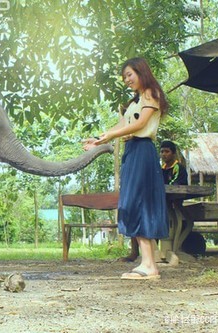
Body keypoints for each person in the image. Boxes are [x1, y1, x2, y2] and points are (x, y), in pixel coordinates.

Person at [83, 57, 168, 279]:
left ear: (141, 72)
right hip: (131, 152)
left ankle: (149, 265)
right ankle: (147, 263)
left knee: (139, 203)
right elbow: (122, 126)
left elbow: (139, 125)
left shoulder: (151, 94)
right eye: (124, 77)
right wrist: (98, 140)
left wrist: (112, 135)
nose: (127, 80)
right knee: (132, 204)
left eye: (129, 74)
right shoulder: (133, 103)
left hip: (143, 151)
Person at [121, 140, 188, 262]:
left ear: (173, 153)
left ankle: (166, 252)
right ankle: (136, 252)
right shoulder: (159, 168)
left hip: (173, 204)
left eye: (167, 151)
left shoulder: (179, 168)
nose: (163, 154)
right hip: (156, 202)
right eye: (162, 151)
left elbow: (177, 185)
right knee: (136, 214)